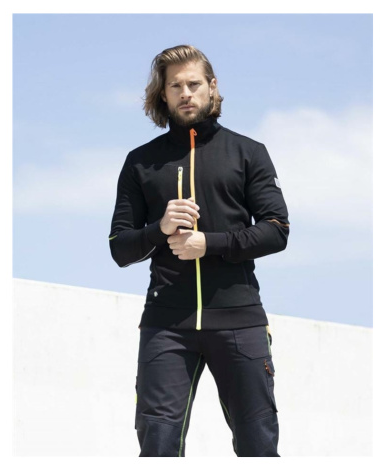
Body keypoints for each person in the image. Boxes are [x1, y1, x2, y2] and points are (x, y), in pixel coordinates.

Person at [109, 44, 290, 457]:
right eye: (175, 86)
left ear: (212, 87)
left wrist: (210, 243)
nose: (186, 93)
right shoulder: (140, 162)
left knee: (258, 447)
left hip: (239, 321)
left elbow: (276, 230)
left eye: (194, 84)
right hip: (166, 326)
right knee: (158, 446)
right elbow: (120, 247)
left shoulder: (248, 152)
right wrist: (159, 229)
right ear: (163, 94)